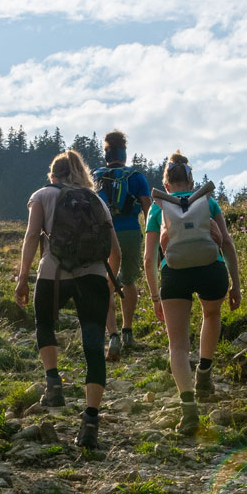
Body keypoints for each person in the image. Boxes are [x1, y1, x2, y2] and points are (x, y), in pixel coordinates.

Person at [15, 149, 122, 451]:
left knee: (44, 324)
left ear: (53, 173)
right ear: (81, 173)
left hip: (53, 274)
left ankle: (53, 382)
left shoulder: (43, 195)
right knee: (92, 347)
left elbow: (31, 235)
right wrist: (108, 283)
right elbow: (116, 251)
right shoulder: (97, 200)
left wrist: (23, 277)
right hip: (94, 278)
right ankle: (90, 421)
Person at [144, 152, 241, 438]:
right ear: (190, 178)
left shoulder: (158, 206)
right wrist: (236, 284)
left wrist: (154, 296)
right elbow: (226, 242)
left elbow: (149, 256)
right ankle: (204, 375)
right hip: (212, 269)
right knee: (211, 314)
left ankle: (188, 411)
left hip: (174, 274)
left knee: (178, 345)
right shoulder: (207, 201)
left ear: (166, 181)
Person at [92, 130, 153, 362]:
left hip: (106, 234)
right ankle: (128, 331)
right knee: (128, 280)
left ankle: (113, 335)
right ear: (124, 152)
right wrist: (150, 235)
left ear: (107, 153)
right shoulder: (136, 177)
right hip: (130, 232)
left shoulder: (96, 175)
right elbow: (148, 208)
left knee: (106, 282)